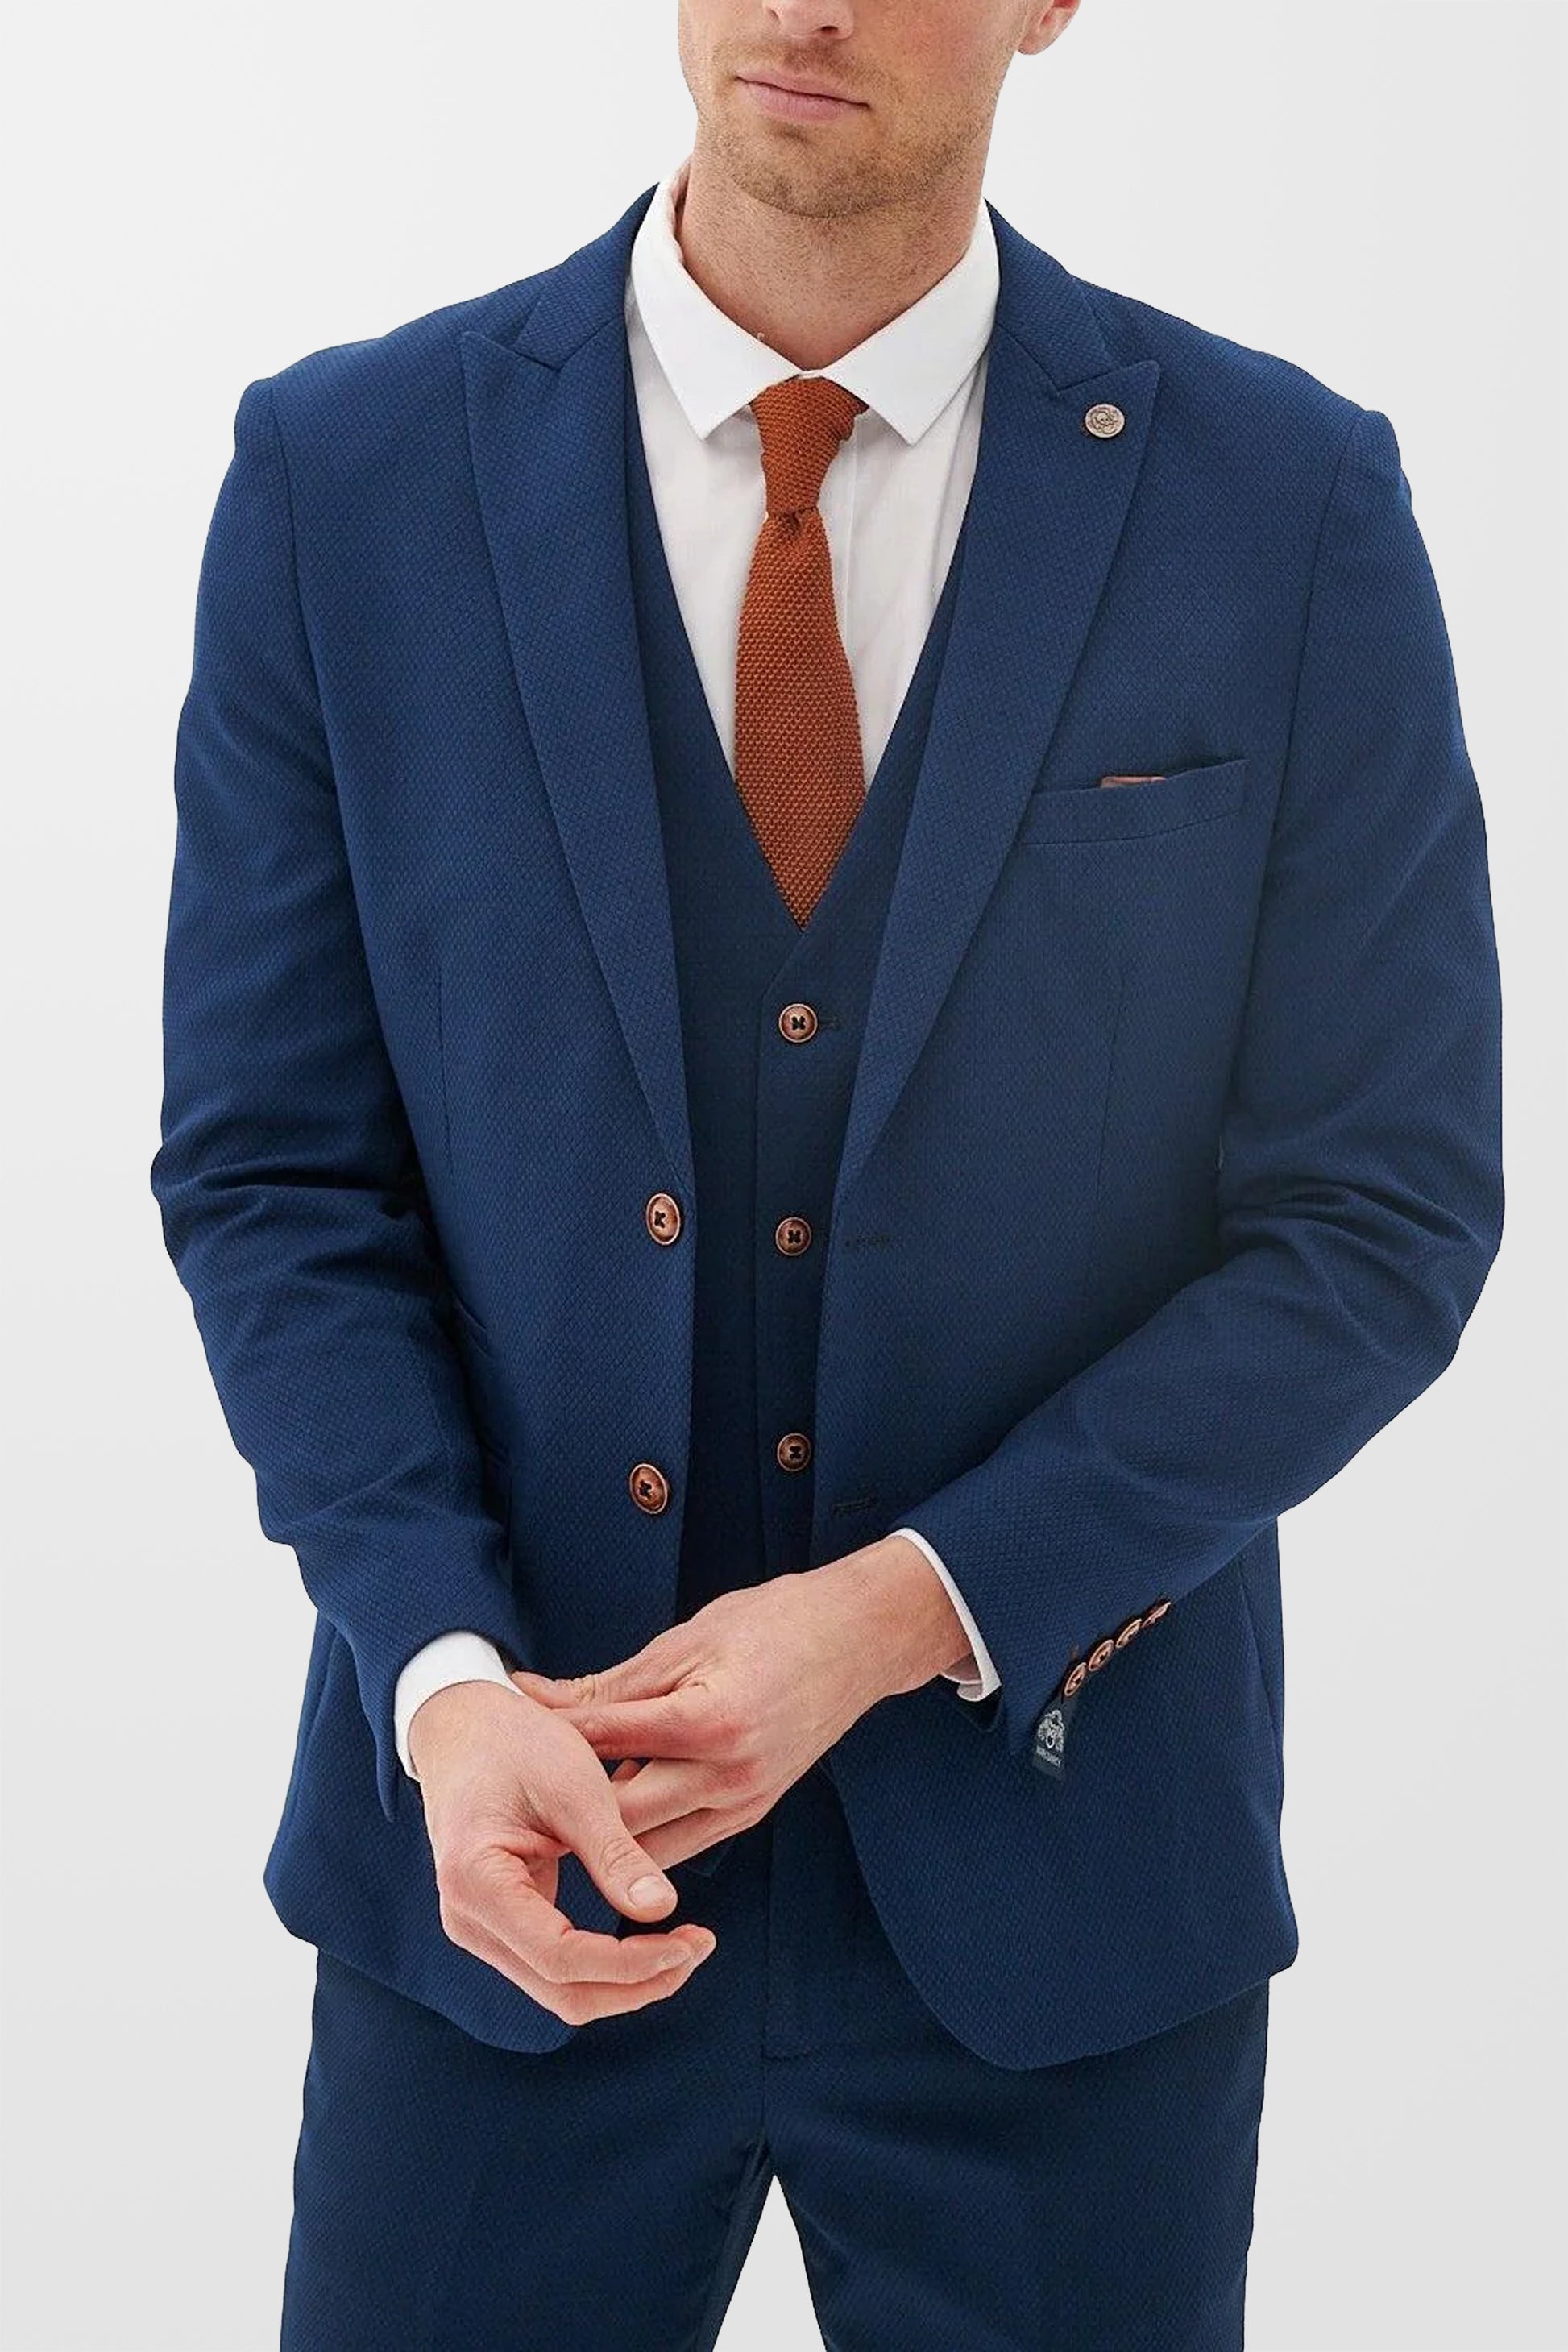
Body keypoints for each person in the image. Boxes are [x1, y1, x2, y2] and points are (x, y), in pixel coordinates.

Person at [150, 2, 1504, 2344]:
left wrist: (902, 1612)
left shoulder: (1280, 503)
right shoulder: (343, 478)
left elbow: (1379, 1218)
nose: (807, 3)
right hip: (501, 1876)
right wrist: (444, 1680)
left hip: (1065, 1904)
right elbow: (277, 1176)